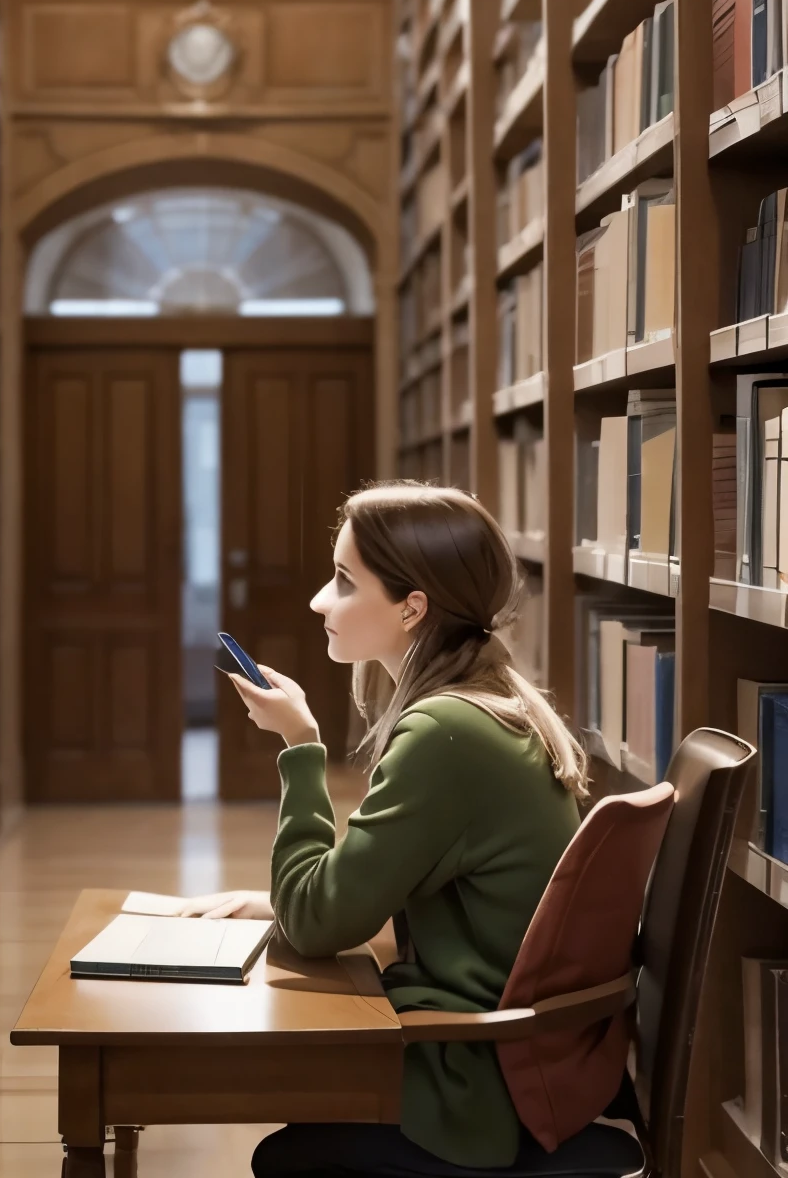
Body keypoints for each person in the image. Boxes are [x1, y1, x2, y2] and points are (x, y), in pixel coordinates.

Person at [182, 481, 589, 1177]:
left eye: (343, 580)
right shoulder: (489, 701)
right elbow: (369, 894)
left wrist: (299, 746)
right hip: (514, 1060)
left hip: (469, 1082)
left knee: (279, 1136)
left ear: (412, 607)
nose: (319, 600)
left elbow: (316, 923)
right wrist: (281, 901)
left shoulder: (445, 732)